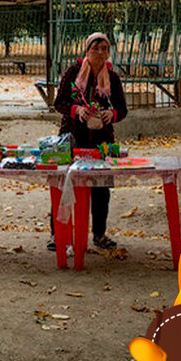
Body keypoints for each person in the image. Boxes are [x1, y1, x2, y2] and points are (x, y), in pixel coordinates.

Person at [50, 32, 129, 251]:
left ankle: (99, 234)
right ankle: (58, 235)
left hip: (101, 141)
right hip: (73, 137)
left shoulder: (112, 77)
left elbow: (122, 109)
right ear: (87, 50)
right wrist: (77, 110)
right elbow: (59, 103)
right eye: (96, 48)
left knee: (101, 188)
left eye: (105, 49)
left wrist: (110, 115)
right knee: (65, 184)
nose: (101, 53)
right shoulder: (74, 72)